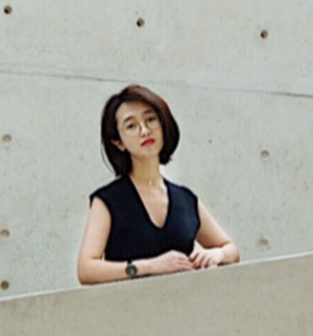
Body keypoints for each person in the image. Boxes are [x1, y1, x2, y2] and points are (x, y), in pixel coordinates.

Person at [77, 84, 239, 284]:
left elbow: (231, 249)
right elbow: (86, 270)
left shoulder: (185, 200)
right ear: (118, 142)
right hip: (130, 303)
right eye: (131, 126)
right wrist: (149, 266)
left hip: (187, 300)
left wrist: (217, 255)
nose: (145, 131)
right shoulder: (107, 201)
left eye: (151, 119)